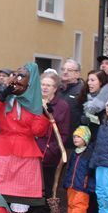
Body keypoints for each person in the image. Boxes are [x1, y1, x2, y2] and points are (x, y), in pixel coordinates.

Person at [0, 63, 50, 213]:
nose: (16, 79)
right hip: (3, 151)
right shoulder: (6, 100)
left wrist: (44, 114)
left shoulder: (34, 104)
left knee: (21, 198)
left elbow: (38, 131)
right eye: (15, 75)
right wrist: (1, 98)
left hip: (25, 154)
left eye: (21, 76)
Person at [38, 72, 71, 203]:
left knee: (49, 184)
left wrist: (52, 149)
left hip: (49, 153)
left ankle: (46, 212)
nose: (45, 88)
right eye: (43, 84)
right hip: (32, 150)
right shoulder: (34, 102)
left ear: (55, 88)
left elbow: (63, 132)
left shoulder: (62, 106)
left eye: (49, 85)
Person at [63, 127, 93, 213]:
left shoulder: (89, 153)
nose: (75, 139)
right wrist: (66, 181)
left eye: (79, 137)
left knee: (79, 203)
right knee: (71, 202)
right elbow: (70, 168)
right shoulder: (74, 153)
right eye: (74, 136)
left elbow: (90, 170)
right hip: (72, 183)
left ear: (85, 139)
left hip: (82, 184)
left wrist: (87, 182)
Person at [79, 69, 108, 138]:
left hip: (102, 138)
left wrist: (92, 120)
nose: (89, 83)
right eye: (88, 80)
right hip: (86, 138)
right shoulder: (84, 96)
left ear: (101, 82)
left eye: (92, 80)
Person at [59, 59, 86, 137]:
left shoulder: (82, 91)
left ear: (77, 74)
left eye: (69, 70)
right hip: (58, 137)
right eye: (63, 69)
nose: (65, 72)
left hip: (74, 138)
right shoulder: (57, 89)